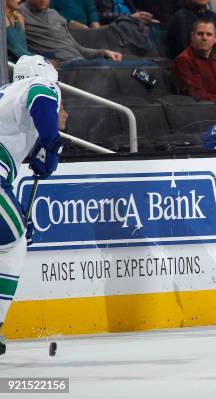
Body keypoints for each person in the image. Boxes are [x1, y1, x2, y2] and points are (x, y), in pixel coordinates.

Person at [0, 55, 63, 355]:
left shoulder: (6, 94)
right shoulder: (40, 85)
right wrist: (52, 144)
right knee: (13, 244)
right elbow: (42, 98)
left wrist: (41, 146)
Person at [21, 0, 123, 66]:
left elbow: (79, 49)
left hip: (80, 62)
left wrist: (104, 52)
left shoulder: (54, 14)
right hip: (62, 66)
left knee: (128, 63)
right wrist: (44, 62)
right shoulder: (21, 13)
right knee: (108, 66)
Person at [173, 18, 216, 103]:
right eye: (200, 34)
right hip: (200, 111)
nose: (204, 38)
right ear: (192, 36)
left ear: (215, 38)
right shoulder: (183, 60)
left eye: (209, 34)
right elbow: (196, 94)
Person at [94, 0, 158, 25]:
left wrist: (144, 15)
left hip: (133, 25)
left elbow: (133, 11)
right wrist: (130, 17)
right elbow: (99, 15)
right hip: (115, 28)